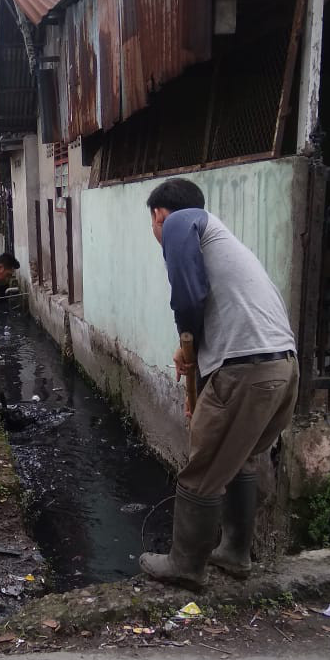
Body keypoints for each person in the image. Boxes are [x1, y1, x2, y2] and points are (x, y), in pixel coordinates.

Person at [139, 177, 298, 591]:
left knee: (202, 469)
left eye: (153, 224)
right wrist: (190, 356)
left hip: (246, 370)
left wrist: (189, 351)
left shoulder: (178, 223)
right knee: (238, 459)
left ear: (159, 214)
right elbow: (215, 315)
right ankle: (235, 552)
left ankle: (185, 565)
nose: (157, 233)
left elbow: (188, 297)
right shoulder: (219, 237)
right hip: (280, 367)